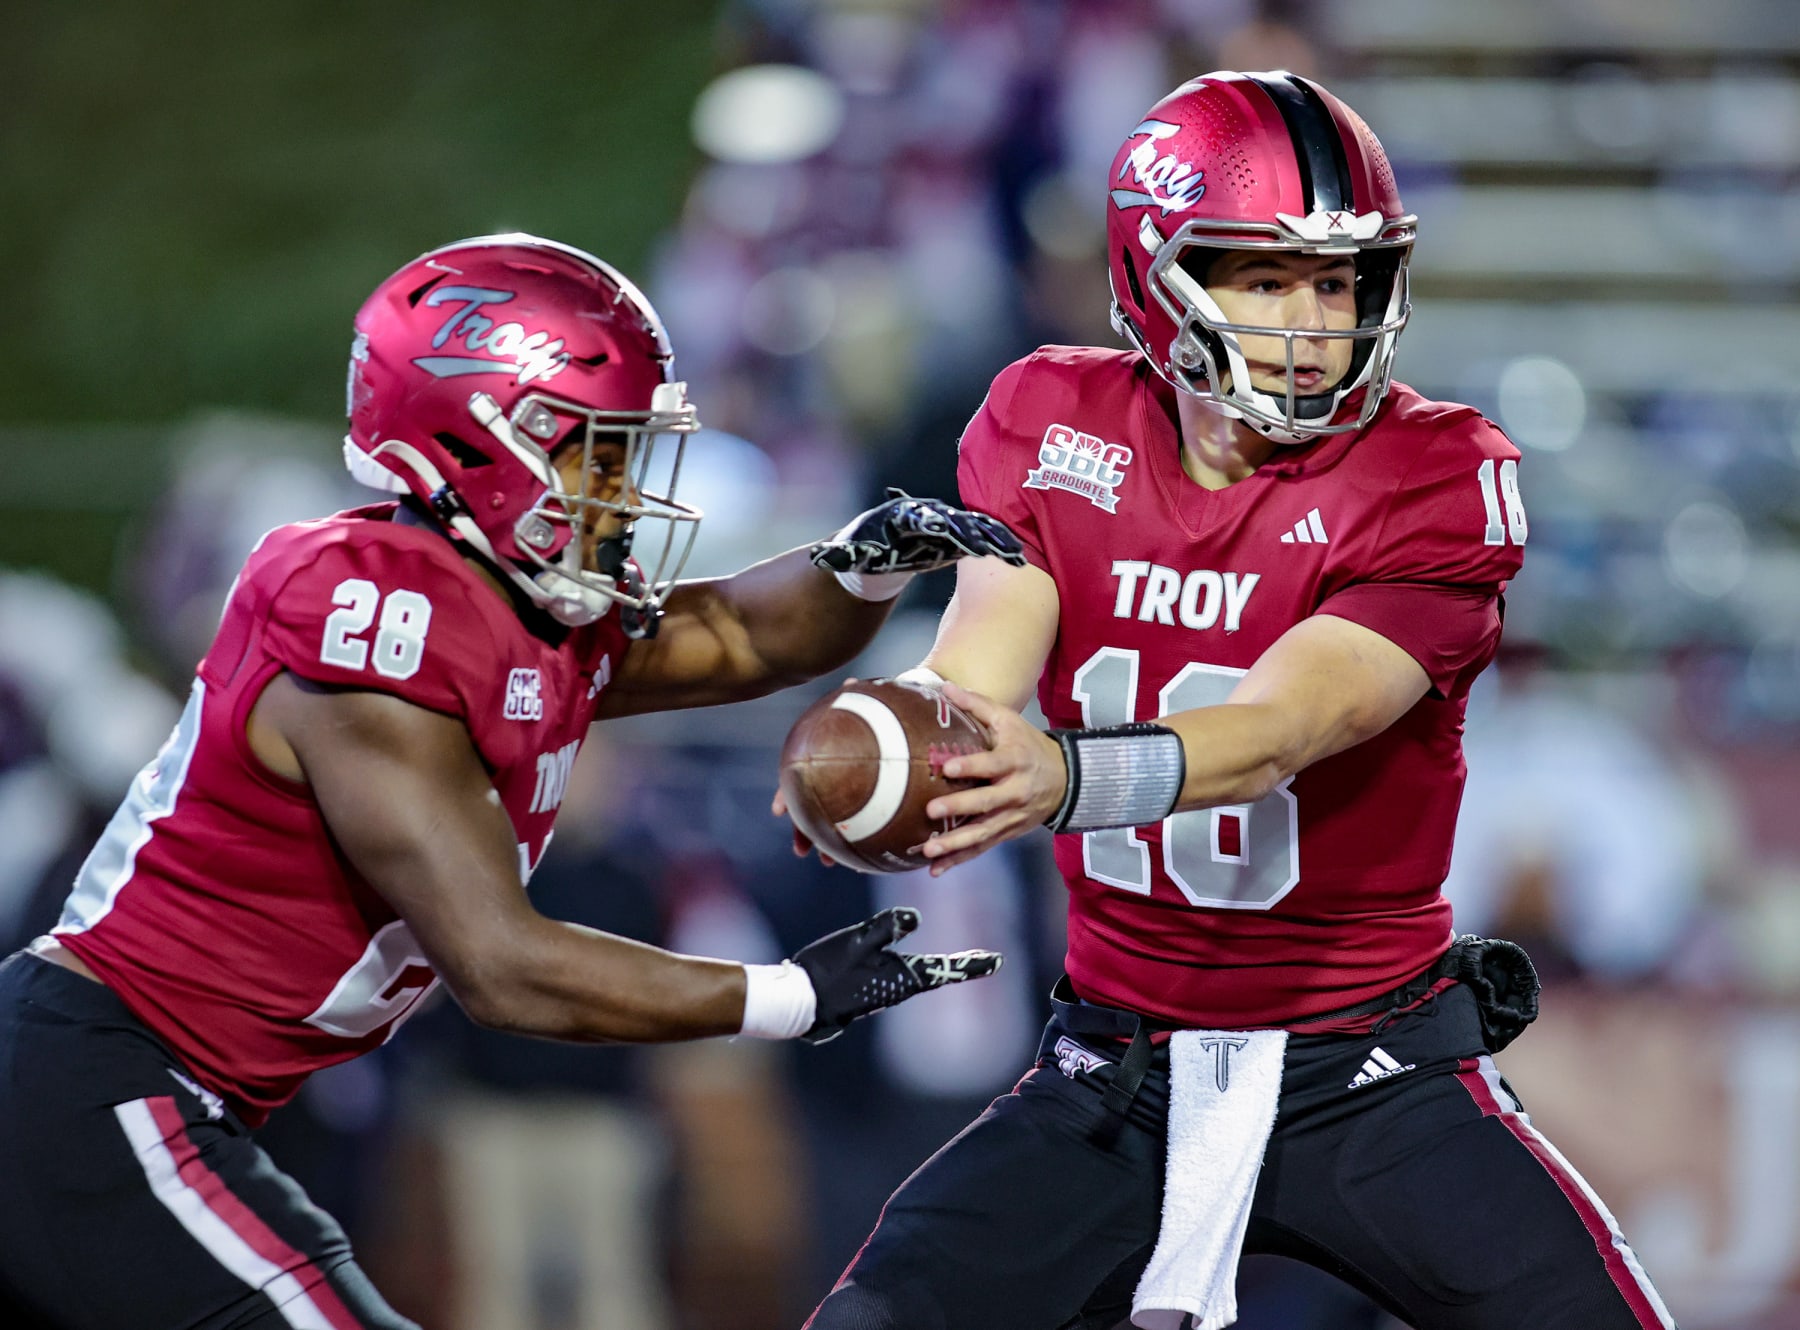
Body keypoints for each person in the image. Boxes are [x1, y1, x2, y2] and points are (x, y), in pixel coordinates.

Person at [0, 233, 1024, 1330]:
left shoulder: (517, 609)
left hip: (167, 1093)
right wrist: (791, 996)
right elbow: (505, 967)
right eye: (600, 456)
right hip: (98, 1081)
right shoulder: (369, 627)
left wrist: (863, 561)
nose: (625, 497)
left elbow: (737, 633)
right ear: (483, 439)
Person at [794, 73, 1677, 1330]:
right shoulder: (1054, 420)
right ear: (1158, 274)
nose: (1315, 318)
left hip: (1371, 1070)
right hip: (1114, 1073)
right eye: (1266, 276)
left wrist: (1064, 776)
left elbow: (1281, 730)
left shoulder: (1434, 470)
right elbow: (980, 670)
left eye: (1340, 280)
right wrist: (891, 752)